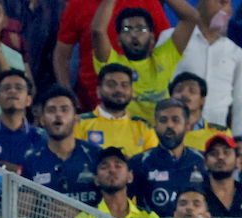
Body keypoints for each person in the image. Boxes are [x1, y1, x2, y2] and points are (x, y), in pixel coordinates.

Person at [91, 0, 198, 125]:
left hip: (160, 136)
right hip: (124, 134)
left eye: (140, 29)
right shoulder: (112, 64)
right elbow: (98, 31)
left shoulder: (164, 57)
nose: (134, 35)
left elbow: (191, 18)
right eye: (127, 30)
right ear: (118, 40)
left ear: (152, 38)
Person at [55, 0, 170, 113]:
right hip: (92, 103)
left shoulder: (148, 2)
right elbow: (61, 54)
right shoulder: (77, 4)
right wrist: (67, 93)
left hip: (142, 103)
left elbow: (165, 47)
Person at [70, 147, 164, 218]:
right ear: (96, 180)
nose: (112, 170)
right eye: (104, 167)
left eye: (118, 166)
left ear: (130, 176)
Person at [21, 86, 102, 206]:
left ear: (76, 118)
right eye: (51, 110)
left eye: (64, 110)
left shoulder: (97, 156)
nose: (58, 114)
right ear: (42, 120)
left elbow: (113, 204)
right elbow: (23, 212)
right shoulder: (31, 161)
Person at [129, 97, 206, 218]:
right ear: (155, 127)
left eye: (175, 120)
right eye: (163, 120)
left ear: (187, 127)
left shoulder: (202, 160)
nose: (169, 125)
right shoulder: (140, 162)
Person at [175, 0, 242, 137]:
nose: (226, 8)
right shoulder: (174, 39)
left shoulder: (236, 53)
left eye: (228, 4)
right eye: (220, 1)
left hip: (217, 141)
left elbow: (239, 100)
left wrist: (238, 138)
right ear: (200, 4)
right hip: (177, 135)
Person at [73, 64, 159, 157]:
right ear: (98, 91)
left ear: (132, 92)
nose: (119, 90)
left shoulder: (143, 127)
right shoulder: (78, 123)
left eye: (124, 85)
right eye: (111, 85)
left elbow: (153, 163)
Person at [0, 69, 46, 172]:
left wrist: (16, 170)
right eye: (6, 88)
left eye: (19, 88)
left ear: (28, 100)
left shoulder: (42, 138)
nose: (12, 91)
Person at [170, 72, 232, 152]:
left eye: (192, 91)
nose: (184, 94)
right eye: (178, 90)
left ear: (202, 100)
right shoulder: (157, 131)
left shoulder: (221, 133)